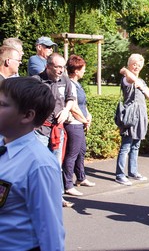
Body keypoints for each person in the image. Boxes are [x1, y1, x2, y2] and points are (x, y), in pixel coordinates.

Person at [0, 77, 65, 250]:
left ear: (28, 115)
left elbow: (50, 231)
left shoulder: (39, 164)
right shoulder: (3, 146)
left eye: (2, 104)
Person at [33, 53, 76, 208]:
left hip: (57, 131)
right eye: (57, 67)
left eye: (62, 67)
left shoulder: (65, 80)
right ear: (48, 66)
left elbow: (71, 98)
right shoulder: (36, 81)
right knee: (40, 166)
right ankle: (39, 199)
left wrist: (66, 110)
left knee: (56, 165)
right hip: (40, 130)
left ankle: (58, 198)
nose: (60, 70)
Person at [115, 53, 149, 186]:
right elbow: (131, 79)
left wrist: (141, 86)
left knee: (136, 145)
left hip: (140, 115)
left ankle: (133, 171)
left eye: (139, 65)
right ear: (130, 64)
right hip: (130, 115)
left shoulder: (140, 81)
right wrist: (125, 70)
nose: (137, 67)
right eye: (134, 64)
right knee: (126, 146)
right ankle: (119, 174)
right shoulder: (127, 78)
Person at [63, 55, 96, 196]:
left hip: (80, 122)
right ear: (76, 70)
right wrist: (84, 120)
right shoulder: (70, 84)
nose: (84, 71)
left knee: (81, 151)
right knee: (72, 154)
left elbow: (83, 104)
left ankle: (81, 177)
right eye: (83, 69)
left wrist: (88, 115)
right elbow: (73, 107)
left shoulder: (77, 84)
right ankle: (68, 184)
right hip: (73, 123)